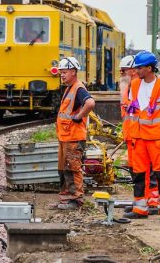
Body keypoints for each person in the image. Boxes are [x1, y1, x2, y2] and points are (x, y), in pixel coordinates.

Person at [124, 51, 160, 221]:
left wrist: (157, 124)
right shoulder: (135, 85)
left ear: (149, 68)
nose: (136, 70)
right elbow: (134, 108)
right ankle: (140, 208)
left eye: (139, 67)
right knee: (139, 173)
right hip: (138, 137)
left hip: (157, 138)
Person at [50, 57, 96, 210]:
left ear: (74, 72)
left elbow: (90, 103)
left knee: (72, 168)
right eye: (61, 73)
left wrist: (79, 116)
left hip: (74, 138)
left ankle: (76, 200)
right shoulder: (70, 88)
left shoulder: (78, 88)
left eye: (65, 72)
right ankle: (65, 199)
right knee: (63, 170)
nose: (62, 75)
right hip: (65, 137)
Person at [120, 55, 159, 215]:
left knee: (147, 170)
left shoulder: (143, 88)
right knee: (137, 172)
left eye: (124, 71)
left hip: (143, 136)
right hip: (133, 136)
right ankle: (141, 202)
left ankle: (152, 203)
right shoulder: (131, 87)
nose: (122, 75)